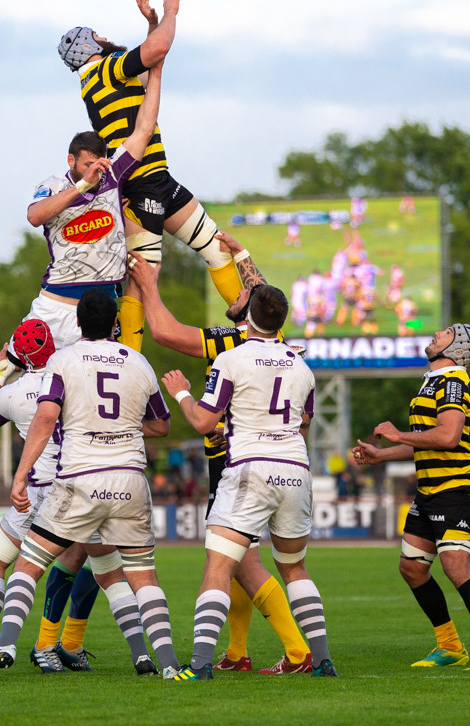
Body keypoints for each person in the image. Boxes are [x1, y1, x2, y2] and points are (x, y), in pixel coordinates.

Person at [0, 288, 181, 680]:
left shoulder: (64, 361)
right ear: (116, 322)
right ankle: (166, 665)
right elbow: (161, 425)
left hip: (76, 480)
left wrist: (21, 474)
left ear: (77, 323)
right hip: (129, 479)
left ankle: (5, 644)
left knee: (28, 564)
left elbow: (43, 420)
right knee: (136, 573)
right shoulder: (139, 362)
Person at [127, 234, 315, 674]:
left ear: (248, 313)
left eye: (241, 292)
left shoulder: (232, 342)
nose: (236, 292)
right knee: (235, 563)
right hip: (273, 461)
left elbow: (165, 333)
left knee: (237, 562)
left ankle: (297, 652)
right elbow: (264, 295)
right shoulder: (274, 338)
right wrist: (243, 256)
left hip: (236, 463)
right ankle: (237, 653)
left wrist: (148, 285)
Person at [161, 284, 335, 681]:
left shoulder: (232, 358)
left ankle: (200, 665)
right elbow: (302, 423)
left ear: (248, 317)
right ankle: (322, 660)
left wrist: (182, 393)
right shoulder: (301, 366)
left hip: (250, 469)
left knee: (218, 567)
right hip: (294, 468)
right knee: (294, 568)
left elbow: (204, 422)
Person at [57, 0, 243, 349]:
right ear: (86, 45)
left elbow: (148, 68)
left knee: (217, 249)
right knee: (143, 280)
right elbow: (156, 52)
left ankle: (252, 332)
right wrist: (172, 13)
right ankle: (126, 363)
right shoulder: (106, 69)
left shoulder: (103, 76)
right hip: (139, 186)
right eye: (95, 34)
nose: (103, 36)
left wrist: (153, 22)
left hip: (159, 179)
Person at [0, 320, 122, 675]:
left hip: (36, 490)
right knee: (93, 563)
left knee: (0, 561)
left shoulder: (12, 391)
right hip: (83, 486)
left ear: (19, 353)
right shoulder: (72, 376)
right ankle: (70, 646)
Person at [353, 324, 470, 671]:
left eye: (448, 332)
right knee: (412, 568)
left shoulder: (453, 382)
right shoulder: (434, 381)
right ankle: (450, 646)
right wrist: (381, 455)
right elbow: (425, 442)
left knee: (456, 567)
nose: (438, 333)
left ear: (459, 349)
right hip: (429, 491)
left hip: (454, 488)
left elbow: (449, 436)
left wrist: (395, 435)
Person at [17, 54, 167, 356]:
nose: (95, 171)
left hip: (100, 310)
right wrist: (82, 186)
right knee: (6, 368)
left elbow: (143, 131)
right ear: (71, 160)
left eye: (98, 164)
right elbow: (35, 217)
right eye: (87, 165)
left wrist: (157, 73)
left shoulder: (110, 174)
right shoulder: (54, 185)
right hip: (56, 302)